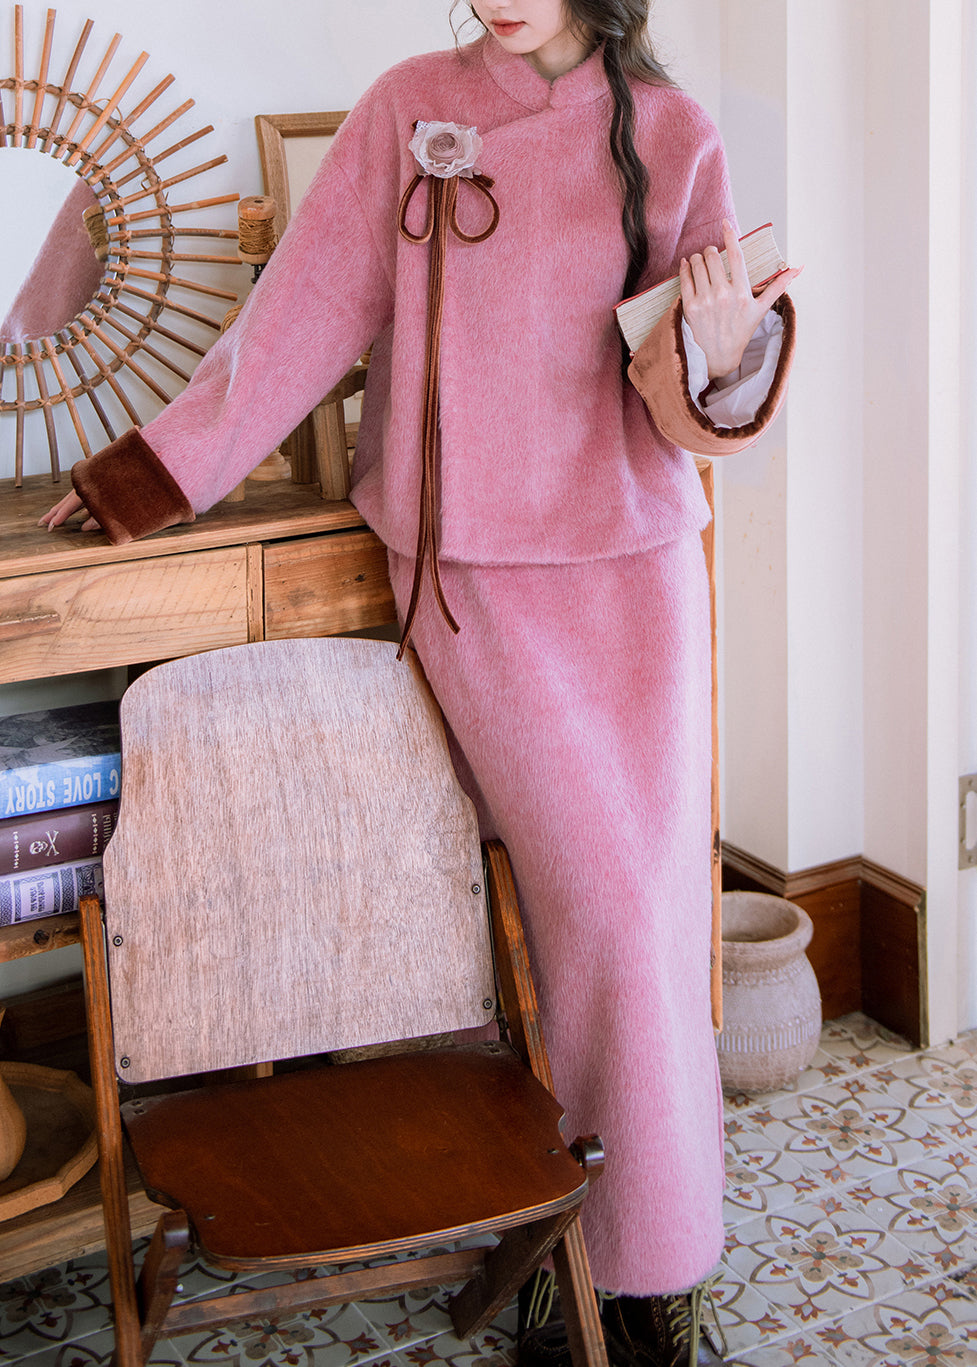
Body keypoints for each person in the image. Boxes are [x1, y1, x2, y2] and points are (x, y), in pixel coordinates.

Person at [42, 3, 799, 1362]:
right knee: (598, 915)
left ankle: (635, 1273)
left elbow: (692, 407)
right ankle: (598, 1255)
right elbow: (301, 315)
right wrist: (145, 478)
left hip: (633, 573)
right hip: (473, 577)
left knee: (641, 917)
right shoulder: (408, 106)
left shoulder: (674, 131)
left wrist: (728, 345)